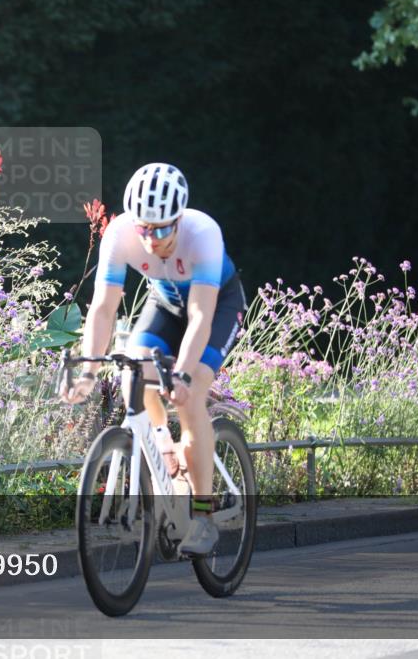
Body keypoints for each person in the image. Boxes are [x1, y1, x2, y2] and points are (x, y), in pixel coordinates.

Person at [61, 162, 246, 557]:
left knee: (189, 394)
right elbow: (103, 309)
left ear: (178, 221)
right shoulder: (119, 234)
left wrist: (181, 374)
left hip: (215, 308)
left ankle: (202, 516)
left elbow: (199, 318)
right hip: (164, 302)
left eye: (161, 229)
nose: (151, 239)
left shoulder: (203, 235)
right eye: (144, 228)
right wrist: (89, 371)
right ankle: (164, 447)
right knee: (133, 371)